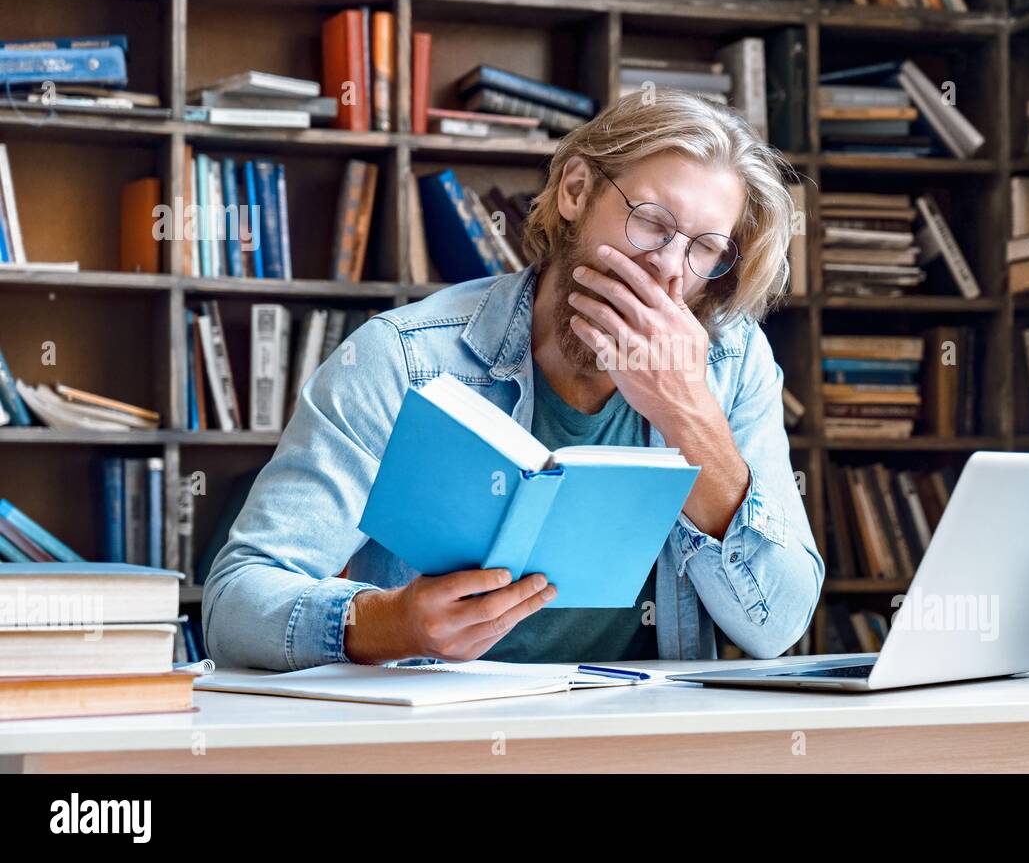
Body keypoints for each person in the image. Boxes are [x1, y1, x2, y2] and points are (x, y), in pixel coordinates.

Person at [202, 89, 824, 669]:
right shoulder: (401, 357)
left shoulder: (731, 363)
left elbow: (777, 626)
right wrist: (391, 623)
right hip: (444, 744)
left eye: (704, 248)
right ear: (576, 190)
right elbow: (232, 606)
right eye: (653, 223)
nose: (666, 269)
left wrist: (689, 416)